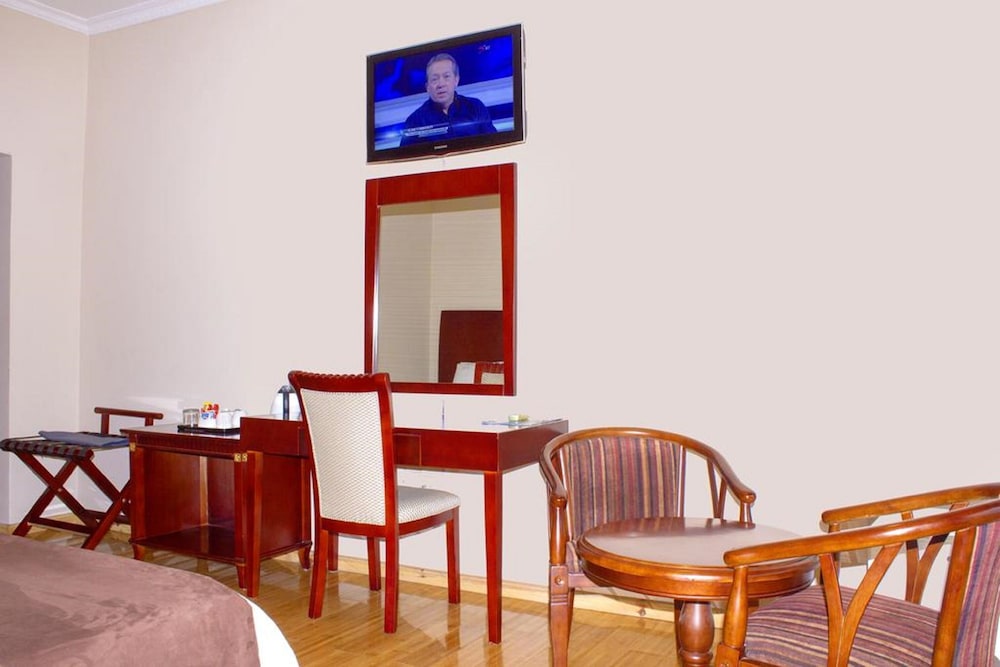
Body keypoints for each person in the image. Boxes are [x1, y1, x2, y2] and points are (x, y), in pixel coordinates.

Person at [399, 53, 497, 146]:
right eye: (434, 79)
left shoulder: (475, 107)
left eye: (446, 76)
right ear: (427, 87)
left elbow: (493, 143)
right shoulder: (415, 121)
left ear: (456, 80)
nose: (441, 84)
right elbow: (406, 156)